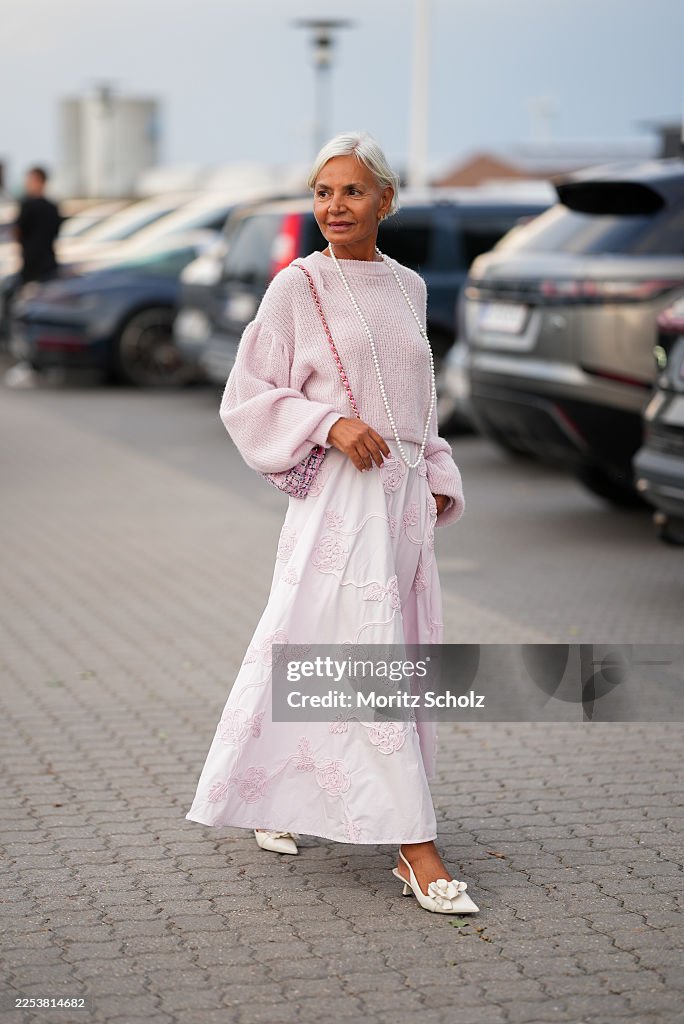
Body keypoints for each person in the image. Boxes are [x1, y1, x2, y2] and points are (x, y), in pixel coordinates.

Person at [185, 131, 479, 916]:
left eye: (351, 192)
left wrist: (438, 473)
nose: (334, 207)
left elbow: (420, 403)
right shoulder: (297, 286)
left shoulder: (410, 287)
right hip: (343, 500)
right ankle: (414, 847)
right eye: (322, 193)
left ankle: (272, 789)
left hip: (403, 500)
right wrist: (326, 423)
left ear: (384, 199)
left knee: (345, 648)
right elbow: (247, 393)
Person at [14, 165, 63, 285]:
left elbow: (18, 232)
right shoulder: (52, 206)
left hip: (32, 264)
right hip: (48, 263)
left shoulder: (28, 206)